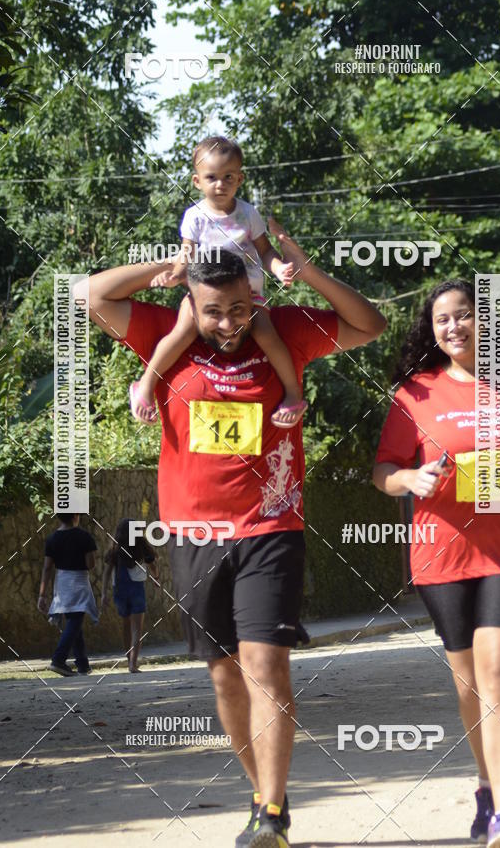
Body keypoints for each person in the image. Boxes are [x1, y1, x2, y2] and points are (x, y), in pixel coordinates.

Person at [79, 222, 386, 848]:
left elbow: (368, 324)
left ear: (255, 296)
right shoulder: (166, 335)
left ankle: (271, 814)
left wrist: (303, 266)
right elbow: (92, 295)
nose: (228, 324)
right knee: (223, 676)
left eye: (240, 309)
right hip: (194, 533)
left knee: (265, 663)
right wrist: (168, 265)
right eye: (214, 311)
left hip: (271, 525)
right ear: (191, 302)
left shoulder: (285, 333)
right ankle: (260, 793)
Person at [372, 280, 500, 848]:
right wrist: (410, 478)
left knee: (499, 675)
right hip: (443, 550)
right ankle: (486, 785)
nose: (455, 327)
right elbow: (384, 468)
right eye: (443, 320)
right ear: (431, 331)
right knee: (468, 682)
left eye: (465, 315)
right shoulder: (415, 392)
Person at [129, 135, 307, 429]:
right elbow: (185, 255)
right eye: (211, 178)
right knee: (181, 332)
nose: (220, 184)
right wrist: (174, 275)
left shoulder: (248, 214)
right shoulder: (195, 217)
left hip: (247, 296)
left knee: (267, 335)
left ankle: (293, 394)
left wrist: (278, 269)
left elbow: (265, 250)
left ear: (240, 178)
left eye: (228, 177)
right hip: (205, 296)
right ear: (197, 181)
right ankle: (145, 386)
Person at [38, 513, 99, 676]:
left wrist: (42, 595)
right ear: (75, 516)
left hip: (61, 582)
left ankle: (83, 665)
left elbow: (47, 568)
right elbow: (90, 564)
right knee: (76, 619)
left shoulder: (52, 539)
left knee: (73, 620)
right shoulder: (84, 536)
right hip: (79, 581)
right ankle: (58, 659)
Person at [101, 517, 159, 672]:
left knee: (126, 626)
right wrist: (156, 578)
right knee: (137, 629)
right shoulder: (142, 546)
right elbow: (152, 565)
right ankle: (133, 664)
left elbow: (107, 572)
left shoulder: (115, 549)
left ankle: (129, 660)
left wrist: (104, 593)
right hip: (136, 589)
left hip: (119, 589)